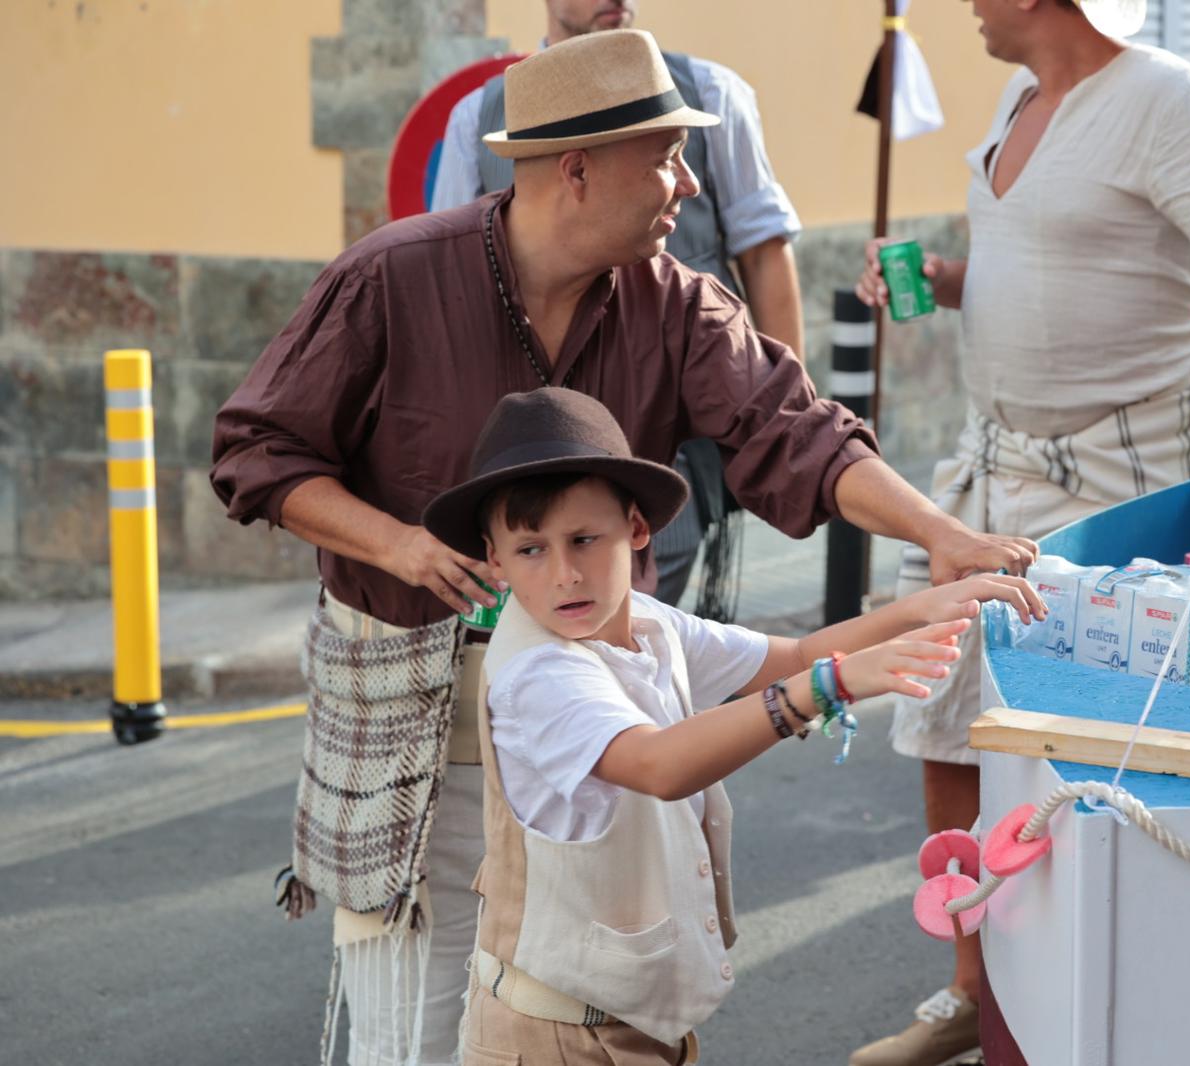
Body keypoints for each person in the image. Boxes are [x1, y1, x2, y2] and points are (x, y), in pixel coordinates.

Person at [211, 31, 1036, 1066]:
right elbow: (255, 450)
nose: (687, 184)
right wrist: (402, 544)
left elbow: (795, 430)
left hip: (594, 697)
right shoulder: (394, 277)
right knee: (417, 1024)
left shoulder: (675, 298)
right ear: (576, 169)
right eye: (667, 156)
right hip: (416, 714)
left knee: (597, 994)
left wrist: (941, 536)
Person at [849, 1, 1190, 1062]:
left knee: (1082, 770)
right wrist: (948, 280)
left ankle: (1098, 1008)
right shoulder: (1018, 99)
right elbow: (1039, 257)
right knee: (947, 728)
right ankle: (972, 988)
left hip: (1114, 493)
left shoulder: (1168, 100)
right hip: (990, 478)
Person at [419, 387, 1046, 1066]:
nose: (564, 574)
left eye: (583, 539)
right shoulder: (539, 671)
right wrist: (828, 688)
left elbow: (796, 653)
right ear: (495, 559)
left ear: (636, 530)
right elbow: (658, 764)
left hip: (628, 1022)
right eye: (531, 550)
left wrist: (925, 606)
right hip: (554, 1037)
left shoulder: (650, 625)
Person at [431, 0, 805, 610]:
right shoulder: (475, 116)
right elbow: (453, 271)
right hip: (531, 437)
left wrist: (776, 423)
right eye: (664, 159)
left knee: (645, 592)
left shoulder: (712, 89)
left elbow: (765, 254)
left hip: (671, 429)